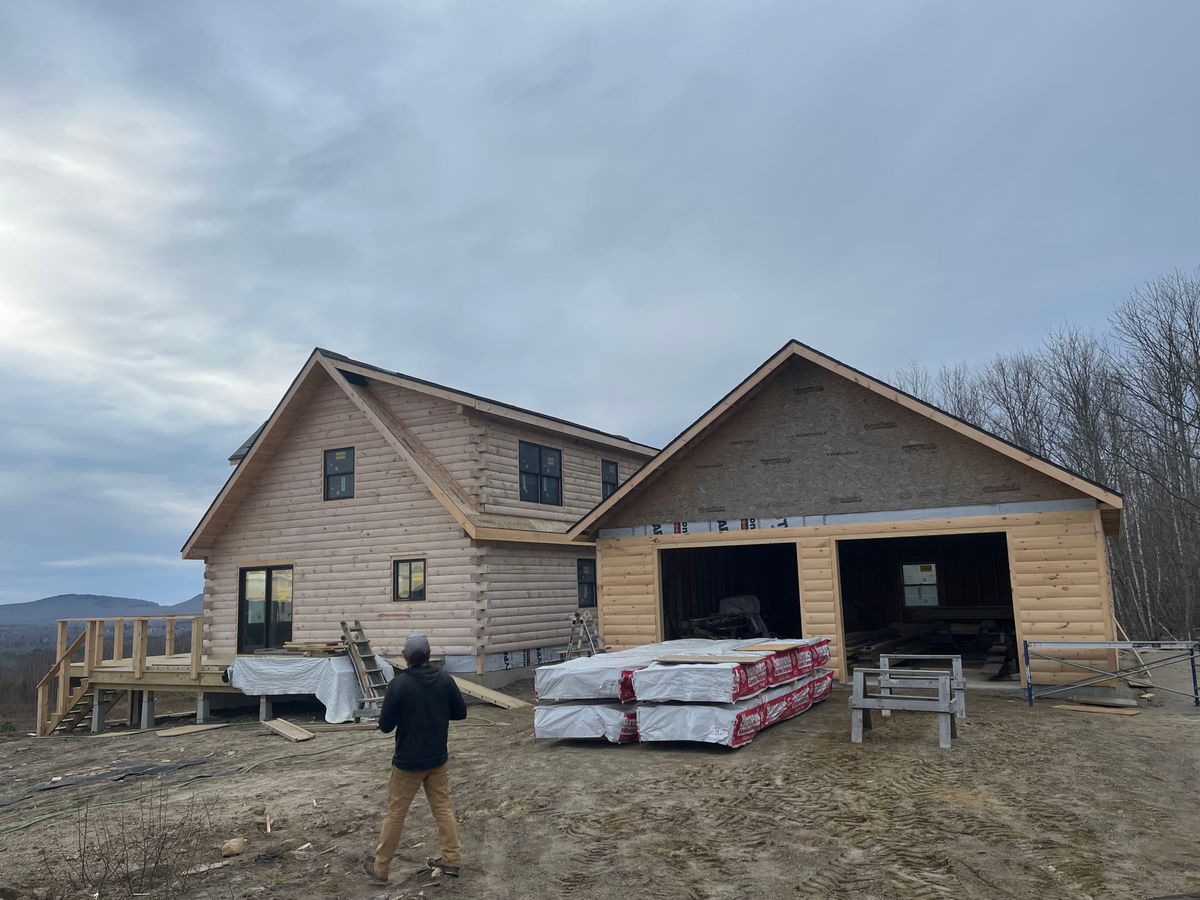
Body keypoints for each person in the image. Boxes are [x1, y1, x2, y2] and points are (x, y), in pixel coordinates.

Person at [363, 633, 467, 883]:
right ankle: (452, 860)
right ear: (429, 655)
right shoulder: (445, 680)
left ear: (405, 658)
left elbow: (386, 726)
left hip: (407, 763)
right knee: (442, 808)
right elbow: (460, 712)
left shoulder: (399, 685)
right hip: (437, 759)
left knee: (396, 813)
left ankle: (381, 868)